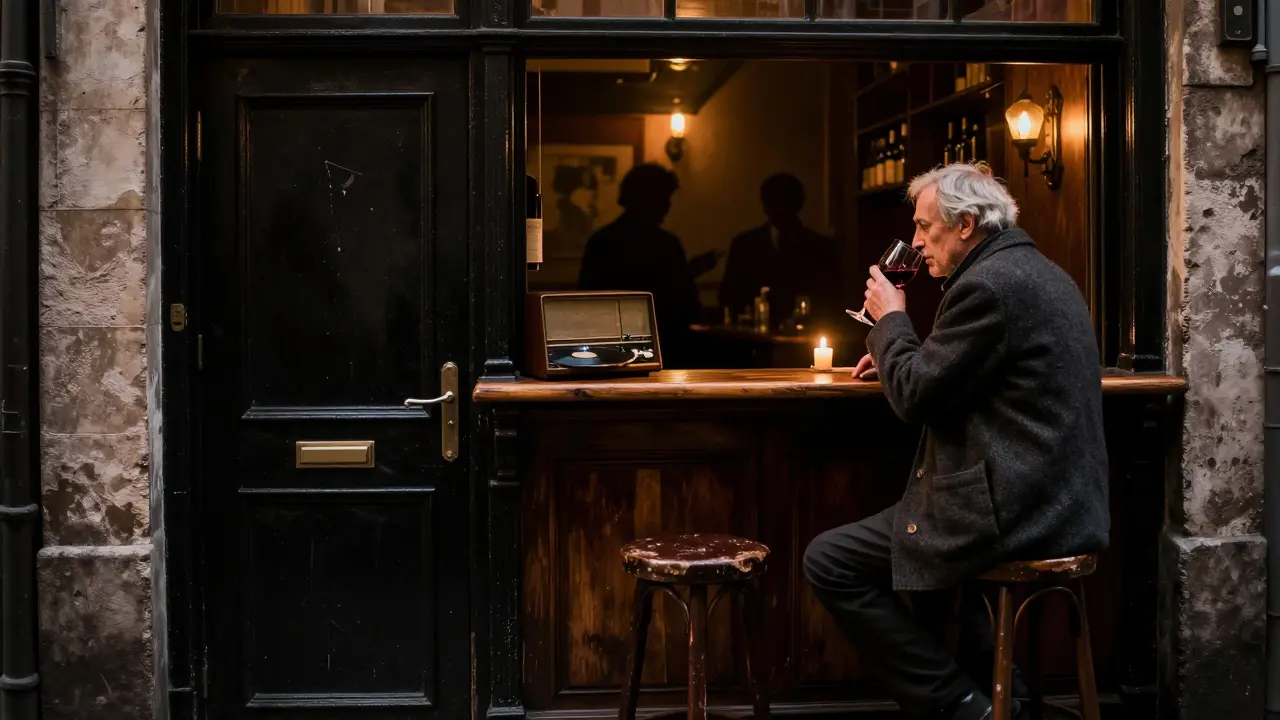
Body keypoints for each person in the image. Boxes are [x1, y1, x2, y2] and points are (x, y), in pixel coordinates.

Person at [802, 163, 1109, 720]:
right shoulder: (1034, 271)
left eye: (925, 228)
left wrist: (891, 322)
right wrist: (905, 356)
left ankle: (963, 706)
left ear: (966, 223)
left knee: (829, 560)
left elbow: (917, 398)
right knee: (929, 558)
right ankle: (1002, 695)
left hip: (1018, 508)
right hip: (1056, 497)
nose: (917, 244)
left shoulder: (987, 287)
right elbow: (963, 375)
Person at [578, 164, 718, 366]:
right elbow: (682, 303)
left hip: (611, 351)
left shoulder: (602, 241)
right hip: (667, 348)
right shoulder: (666, 245)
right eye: (664, 198)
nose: (668, 205)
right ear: (648, 199)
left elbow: (587, 298)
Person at [718, 173, 840, 330]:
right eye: (776, 202)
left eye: (786, 202)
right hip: (753, 340)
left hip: (805, 338)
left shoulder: (821, 248)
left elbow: (831, 301)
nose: (781, 209)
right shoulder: (744, 245)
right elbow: (728, 296)